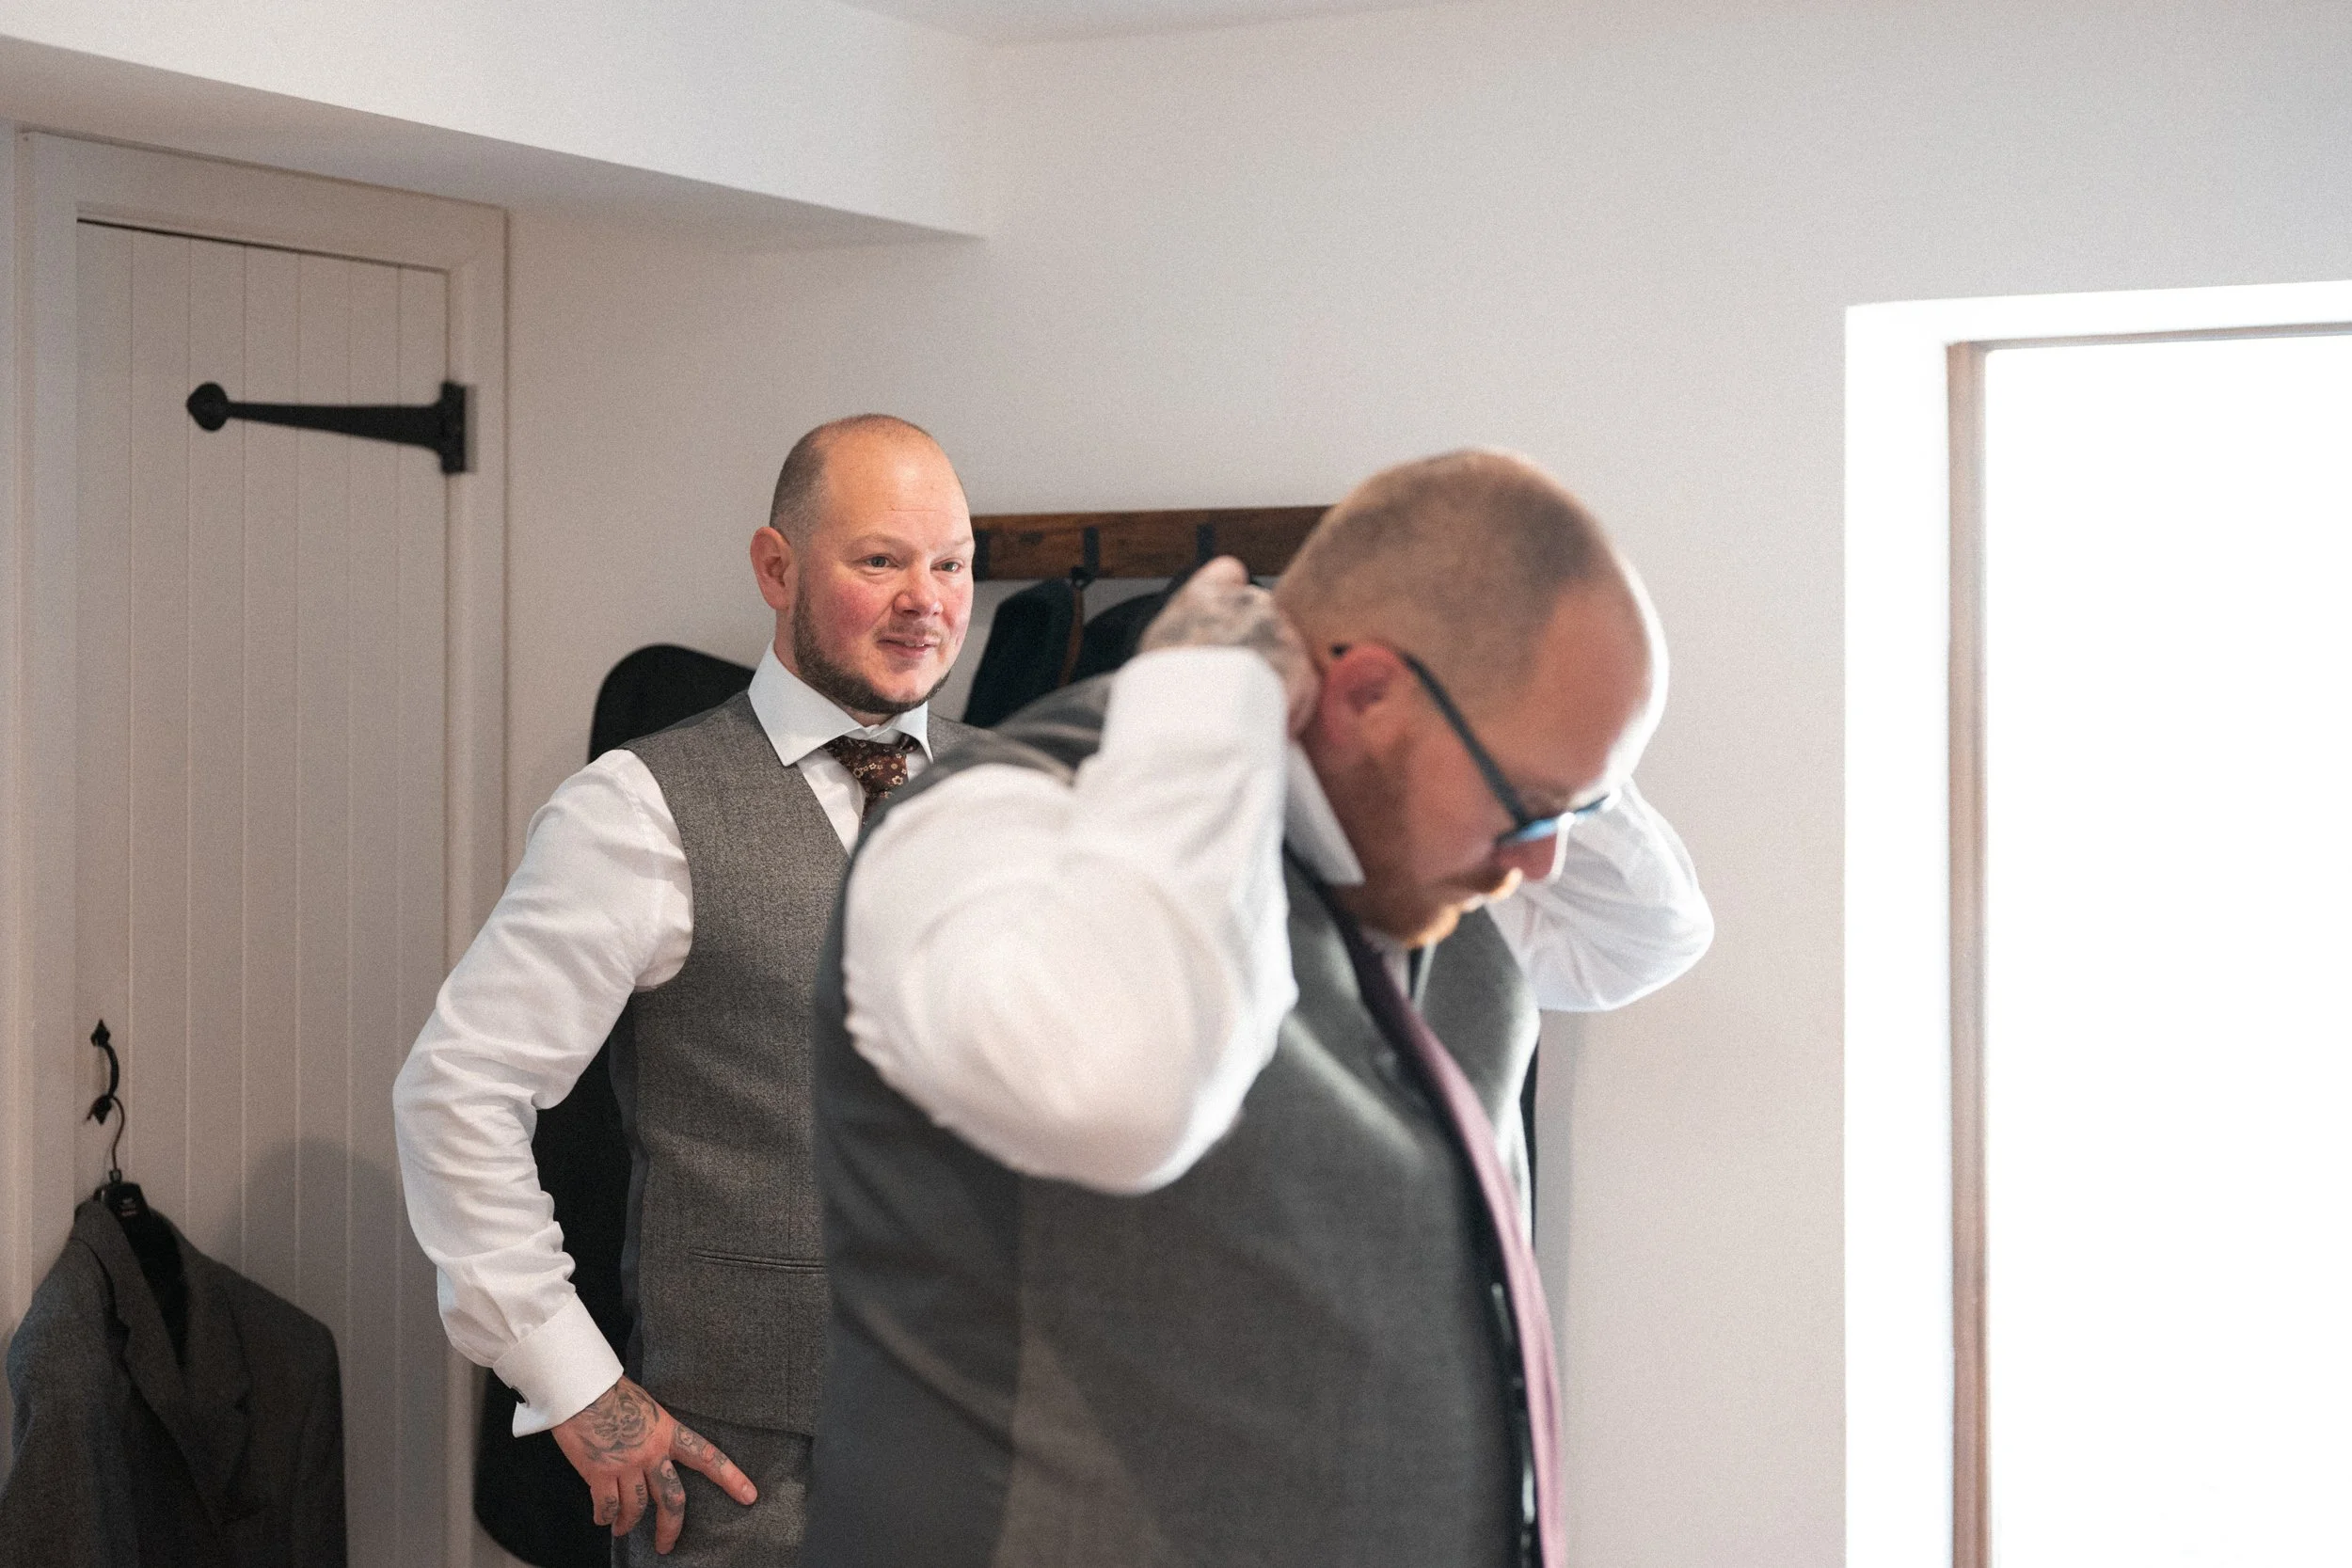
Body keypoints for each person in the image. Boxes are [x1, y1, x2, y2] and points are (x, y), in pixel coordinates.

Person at [803, 449, 1713, 1568]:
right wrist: (1207, 700)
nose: (1539, 862)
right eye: (1528, 805)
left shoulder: (1429, 866)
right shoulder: (996, 821)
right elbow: (1128, 1096)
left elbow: (1648, 933)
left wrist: (1557, 743)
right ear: (1370, 692)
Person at [394, 415, 977, 1563]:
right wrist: (576, 1384)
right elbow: (457, 1093)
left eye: (951, 562)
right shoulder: (637, 810)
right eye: (879, 560)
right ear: (775, 566)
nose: (928, 600)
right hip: (752, 1479)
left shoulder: (1021, 791)